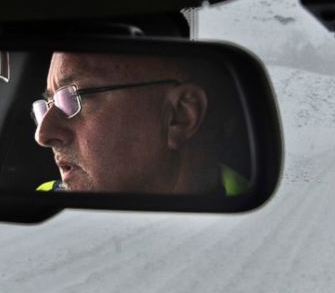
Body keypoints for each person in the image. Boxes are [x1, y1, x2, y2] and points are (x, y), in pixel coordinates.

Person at [32, 52, 248, 195]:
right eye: (49, 104)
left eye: (74, 97)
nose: (43, 135)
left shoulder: (259, 222)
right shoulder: (46, 201)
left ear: (179, 116)